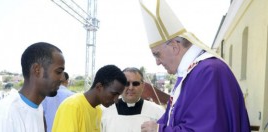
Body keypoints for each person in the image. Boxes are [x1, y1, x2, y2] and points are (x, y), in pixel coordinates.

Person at [139, 0, 250, 131]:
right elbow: (172, 118)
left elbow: (208, 128)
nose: (157, 62)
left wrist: (158, 130)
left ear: (174, 47)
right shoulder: (190, 73)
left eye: (157, 54)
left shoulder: (208, 72)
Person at [0, 42, 65, 132]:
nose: (62, 78)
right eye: (58, 72)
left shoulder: (39, 109)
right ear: (37, 70)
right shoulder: (6, 113)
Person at [52, 65, 127, 132]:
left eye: (118, 95)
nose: (116, 100)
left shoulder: (98, 111)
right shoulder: (72, 106)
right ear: (99, 87)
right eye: (114, 94)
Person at [101, 67, 165, 132]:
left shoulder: (157, 112)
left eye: (135, 84)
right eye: (126, 83)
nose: (131, 88)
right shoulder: (105, 112)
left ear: (143, 86)